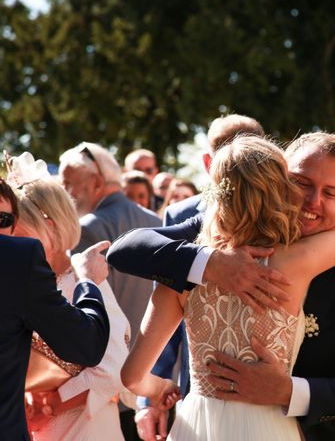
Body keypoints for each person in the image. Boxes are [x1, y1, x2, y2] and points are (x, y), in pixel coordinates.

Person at [108, 131, 335, 440]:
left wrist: (289, 392)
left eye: (331, 193)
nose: (313, 202)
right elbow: (126, 247)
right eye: (302, 183)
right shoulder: (290, 261)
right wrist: (211, 263)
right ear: (280, 182)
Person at [133, 114, 265, 440]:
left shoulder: (287, 218)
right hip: (199, 393)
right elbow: (165, 302)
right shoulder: (187, 215)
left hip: (270, 394)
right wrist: (149, 400)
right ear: (209, 163)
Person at [4, 152, 130, 440]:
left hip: (86, 429)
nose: (10, 242)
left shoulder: (83, 279)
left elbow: (114, 368)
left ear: (49, 226)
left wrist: (52, 403)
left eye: (19, 233)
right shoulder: (29, 284)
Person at [58, 142, 161, 439]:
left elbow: (83, 305)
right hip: (151, 376)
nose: (65, 193)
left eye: (68, 184)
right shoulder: (155, 220)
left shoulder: (87, 228)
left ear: (97, 183)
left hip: (107, 381)